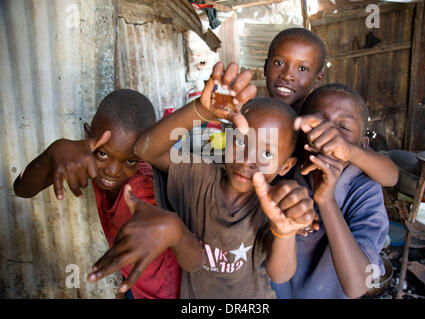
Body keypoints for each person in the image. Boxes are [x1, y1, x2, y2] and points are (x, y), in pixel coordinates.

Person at [87, 63, 317, 298]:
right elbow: (145, 150)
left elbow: (280, 275)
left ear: (285, 166)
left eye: (267, 154)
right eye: (240, 142)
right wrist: (201, 111)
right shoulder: (199, 175)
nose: (248, 159)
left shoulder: (273, 205)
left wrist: (283, 232)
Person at [13, 89, 197, 299]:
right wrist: (52, 153)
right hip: (136, 287)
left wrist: (174, 230)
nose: (112, 170)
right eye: (103, 153)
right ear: (87, 135)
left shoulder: (142, 191)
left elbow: (194, 259)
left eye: (130, 161)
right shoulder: (88, 163)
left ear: (142, 156)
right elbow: (22, 189)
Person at [271, 83, 390, 299]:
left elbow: (357, 286)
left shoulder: (365, 191)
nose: (329, 134)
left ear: (361, 145)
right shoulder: (283, 173)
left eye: (343, 127)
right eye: (318, 122)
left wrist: (326, 202)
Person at [264, 27, 398, 187]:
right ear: (265, 67)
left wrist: (350, 151)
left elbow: (392, 177)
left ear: (317, 79)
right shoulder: (257, 117)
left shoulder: (323, 121)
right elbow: (230, 158)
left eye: (302, 69)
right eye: (279, 63)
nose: (287, 75)